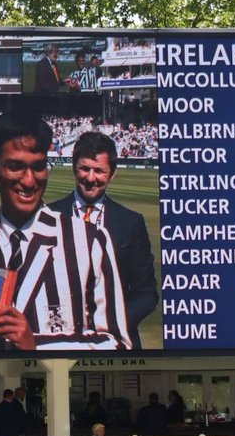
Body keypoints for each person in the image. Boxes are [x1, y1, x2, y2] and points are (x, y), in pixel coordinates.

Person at [0, 111, 131, 350]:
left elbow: (117, 343)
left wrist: (35, 347)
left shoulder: (89, 240)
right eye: (15, 167)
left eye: (38, 167)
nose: (29, 181)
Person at [48, 131, 157, 347]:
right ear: (73, 167)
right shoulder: (49, 217)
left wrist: (109, 324)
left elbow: (147, 295)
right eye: (84, 168)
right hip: (61, 343)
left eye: (99, 170)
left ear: (112, 173)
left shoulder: (131, 223)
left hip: (117, 342)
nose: (90, 178)